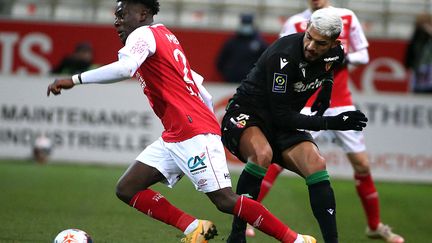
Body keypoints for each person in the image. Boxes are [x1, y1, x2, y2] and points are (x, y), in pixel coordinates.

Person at [46, 1, 316, 242]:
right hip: (179, 131)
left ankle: (296, 240)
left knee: (224, 200)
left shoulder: (143, 34)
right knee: (127, 188)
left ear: (142, 13)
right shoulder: (166, 35)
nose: (117, 21)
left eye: (122, 13)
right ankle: (194, 228)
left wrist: (74, 79)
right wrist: (208, 120)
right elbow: (200, 86)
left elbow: (125, 69)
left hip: (191, 130)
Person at [249, 1, 405, 243]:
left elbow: (363, 55)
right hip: (305, 101)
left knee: (362, 164)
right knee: (282, 158)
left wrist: (333, 59)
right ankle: (250, 215)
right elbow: (281, 59)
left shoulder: (347, 18)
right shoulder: (295, 23)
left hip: (341, 100)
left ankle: (374, 226)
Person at [221, 7, 368, 243]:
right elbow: (282, 116)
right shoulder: (284, 56)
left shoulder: (335, 53)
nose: (310, 46)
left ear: (332, 43)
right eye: (308, 37)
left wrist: (326, 91)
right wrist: (333, 122)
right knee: (262, 154)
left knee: (316, 164)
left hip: (279, 124)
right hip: (246, 114)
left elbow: (332, 65)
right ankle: (237, 235)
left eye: (320, 43)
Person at [216, 13, 268, 83]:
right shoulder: (232, 42)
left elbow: (265, 62)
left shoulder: (259, 43)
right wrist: (227, 74)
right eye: (244, 23)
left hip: (251, 82)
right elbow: (220, 61)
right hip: (231, 81)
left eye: (248, 24)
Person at [404, 13, 432, 93]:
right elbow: (413, 51)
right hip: (422, 68)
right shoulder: (419, 34)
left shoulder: (418, 35)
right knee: (421, 90)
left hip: (423, 68)